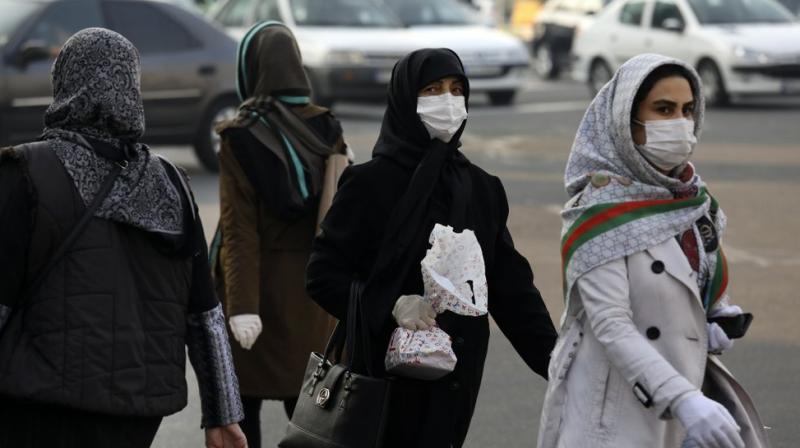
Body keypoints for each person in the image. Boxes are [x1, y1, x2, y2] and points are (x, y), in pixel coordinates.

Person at [0, 28, 246, 448]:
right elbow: (205, 315)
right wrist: (223, 415)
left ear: (65, 82)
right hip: (136, 415)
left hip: (39, 409)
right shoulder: (171, 183)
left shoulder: (26, 172)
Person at [306, 48, 558, 448]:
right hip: (381, 377)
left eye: (457, 90)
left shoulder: (480, 188)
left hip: (454, 381)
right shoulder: (369, 184)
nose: (448, 100)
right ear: (407, 98)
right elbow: (322, 275)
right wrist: (390, 304)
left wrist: (559, 365)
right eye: (433, 89)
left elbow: (511, 290)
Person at [537, 54, 770, 448]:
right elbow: (611, 324)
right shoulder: (598, 211)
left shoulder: (693, 199)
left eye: (687, 110)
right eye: (663, 110)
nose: (680, 123)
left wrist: (714, 315)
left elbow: (694, 277)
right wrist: (682, 400)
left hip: (687, 398)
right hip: (615, 413)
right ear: (627, 121)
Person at [212, 22, 345, 448]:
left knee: (241, 413)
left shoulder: (240, 135)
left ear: (251, 69)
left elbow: (239, 231)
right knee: (307, 415)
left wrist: (241, 307)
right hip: (312, 295)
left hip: (256, 291)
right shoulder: (328, 128)